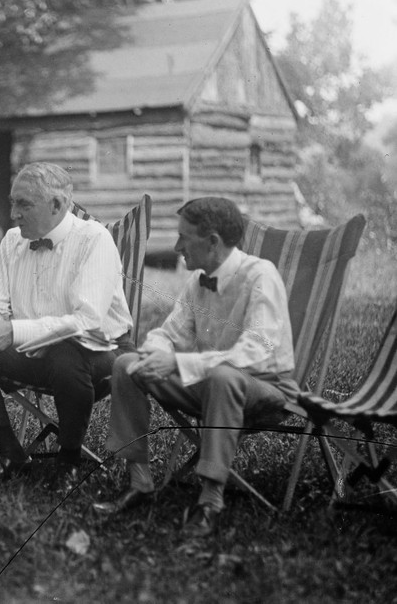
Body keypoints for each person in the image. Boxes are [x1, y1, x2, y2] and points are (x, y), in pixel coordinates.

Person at [92, 197, 298, 537]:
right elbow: (169, 333)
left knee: (223, 376)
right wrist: (156, 354)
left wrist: (178, 362)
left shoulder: (261, 275)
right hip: (210, 382)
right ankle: (139, 481)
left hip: (266, 390)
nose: (176, 246)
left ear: (213, 241)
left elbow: (258, 350)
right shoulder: (198, 279)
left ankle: (210, 500)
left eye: (184, 237)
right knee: (127, 363)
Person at [0, 162, 134, 494]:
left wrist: (13, 332)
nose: (13, 214)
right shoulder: (13, 240)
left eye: (23, 205)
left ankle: (69, 460)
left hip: (101, 351)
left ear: (57, 205)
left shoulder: (93, 240)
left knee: (66, 354)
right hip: (36, 353)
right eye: (12, 202)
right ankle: (11, 454)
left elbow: (86, 322)